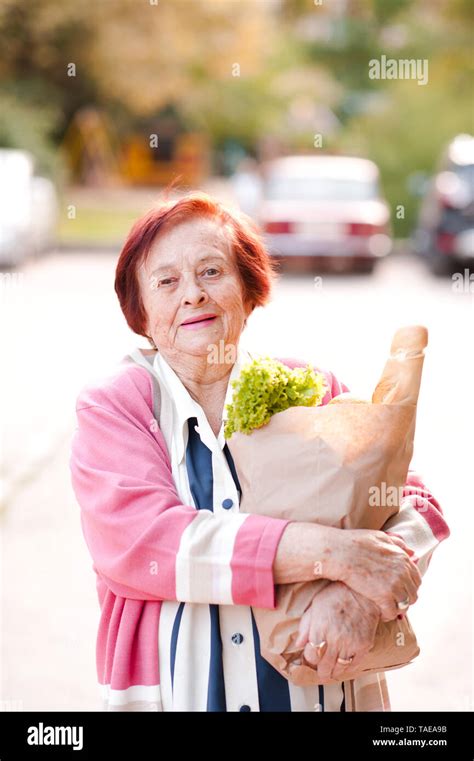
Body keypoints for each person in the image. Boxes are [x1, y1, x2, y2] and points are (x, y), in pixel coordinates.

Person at [70, 192, 450, 711]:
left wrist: (363, 594)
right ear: (140, 313)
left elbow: (411, 501)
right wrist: (333, 552)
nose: (193, 296)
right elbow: (144, 543)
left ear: (249, 290)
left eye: (211, 271)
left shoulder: (310, 386)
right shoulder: (116, 405)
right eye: (166, 282)